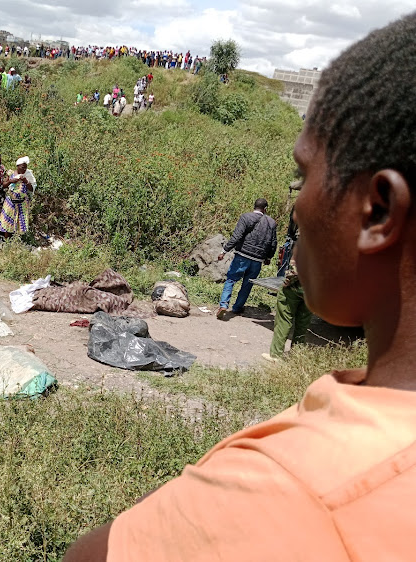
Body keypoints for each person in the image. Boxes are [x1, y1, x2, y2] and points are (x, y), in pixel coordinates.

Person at [67, 15, 416, 561]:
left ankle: (228, 312)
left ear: (378, 210)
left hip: (243, 261)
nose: (296, 203)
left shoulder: (288, 484)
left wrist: (231, 249)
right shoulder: (275, 227)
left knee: (237, 292)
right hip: (261, 262)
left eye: (303, 177)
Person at [216, 198, 277, 318]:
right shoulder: (271, 222)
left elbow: (236, 236)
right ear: (265, 209)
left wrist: (224, 250)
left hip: (242, 256)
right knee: (247, 284)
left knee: (231, 280)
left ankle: (223, 305)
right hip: (257, 260)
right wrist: (268, 257)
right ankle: (237, 307)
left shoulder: (246, 217)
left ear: (254, 207)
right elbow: (273, 243)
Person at [0, 156, 36, 236]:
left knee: (20, 222)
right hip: (10, 202)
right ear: (17, 166)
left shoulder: (28, 175)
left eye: (25, 168)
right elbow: (4, 185)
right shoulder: (11, 173)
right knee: (8, 221)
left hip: (22, 203)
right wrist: (10, 181)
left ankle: (18, 240)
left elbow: (32, 189)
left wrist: (26, 181)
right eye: (22, 167)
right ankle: (7, 240)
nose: (24, 169)